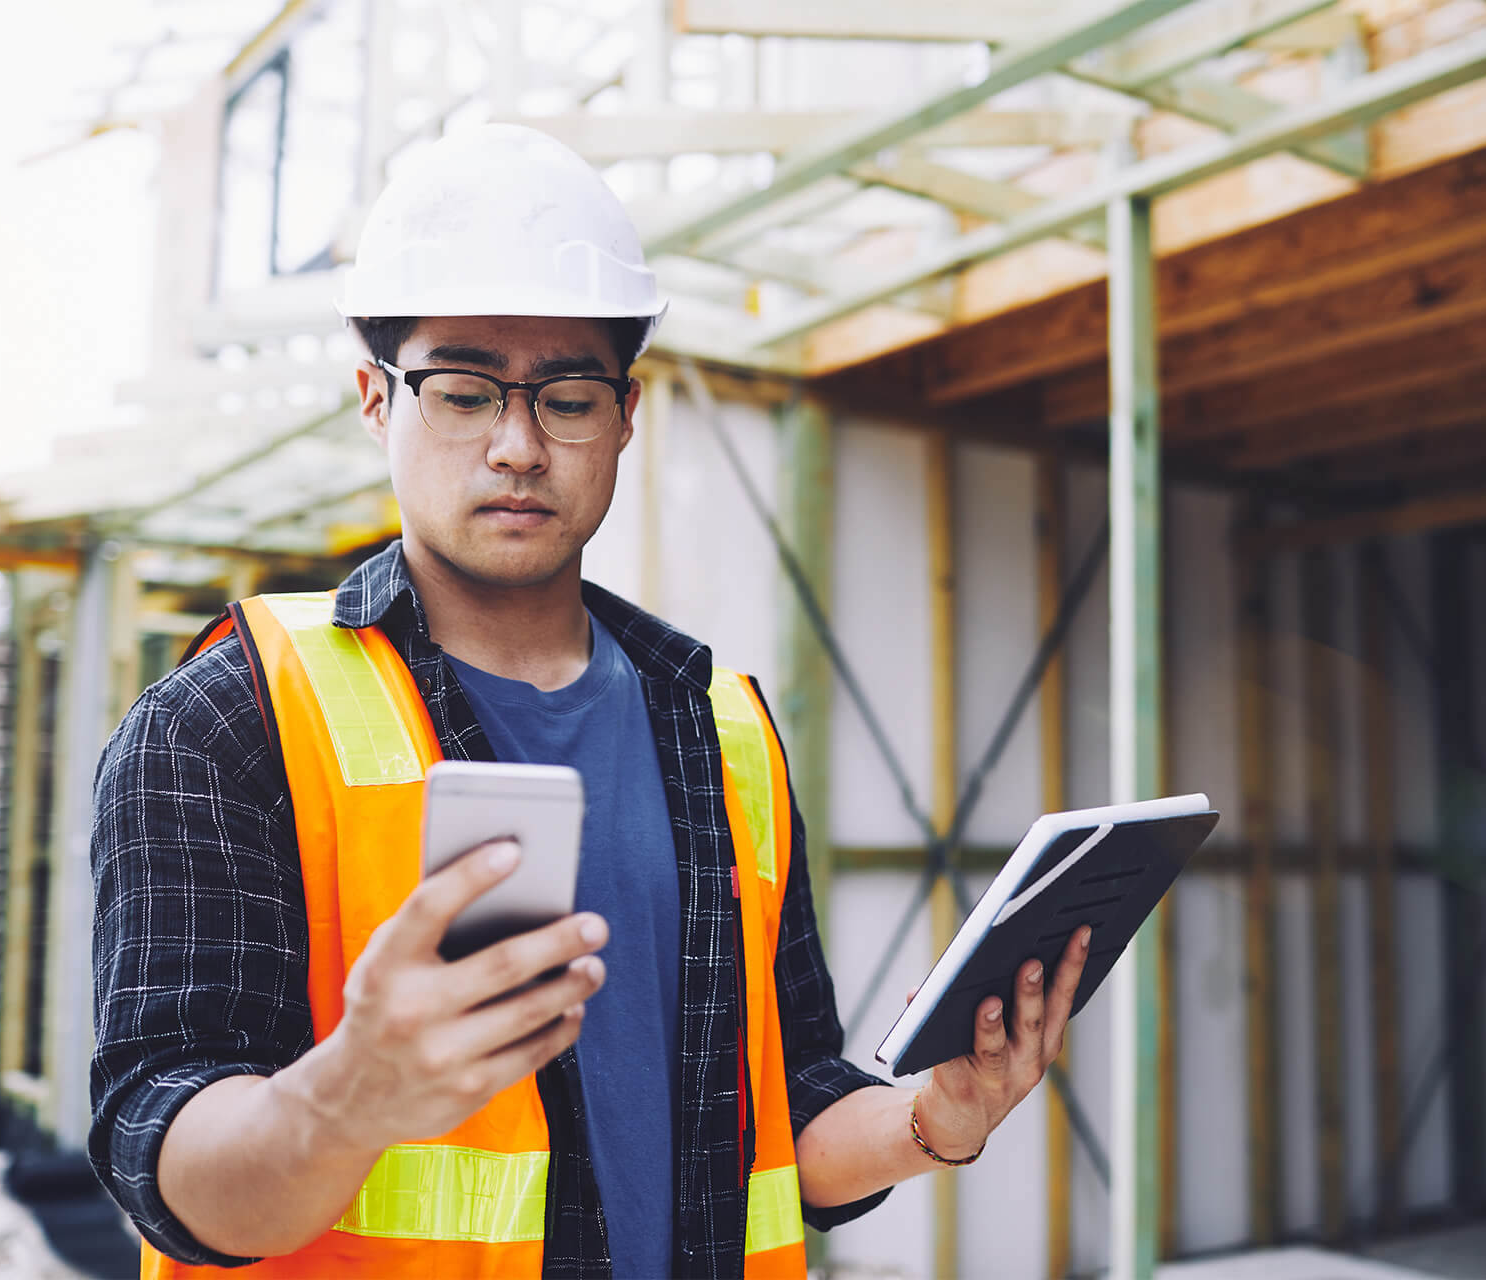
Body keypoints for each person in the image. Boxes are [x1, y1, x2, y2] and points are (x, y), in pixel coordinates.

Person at [88, 124, 1090, 1278]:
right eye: (462, 393)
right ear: (376, 401)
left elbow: (787, 1110)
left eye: (565, 397)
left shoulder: (721, 726)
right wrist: (346, 1094)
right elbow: (162, 1154)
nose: (517, 445)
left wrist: (932, 1118)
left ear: (626, 413)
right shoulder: (226, 720)